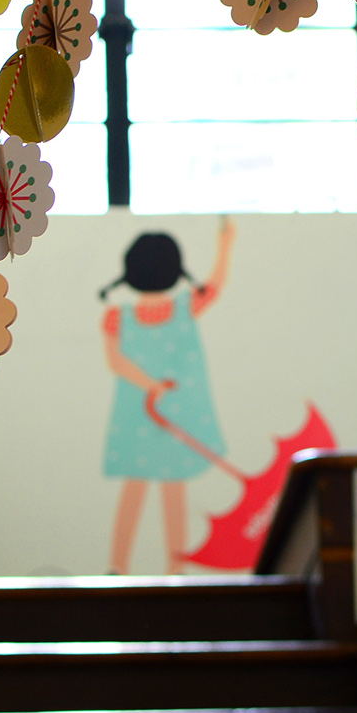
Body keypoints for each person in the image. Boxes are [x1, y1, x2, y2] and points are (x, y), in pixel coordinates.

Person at [99, 219, 235, 574]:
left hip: (172, 416)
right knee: (142, 487)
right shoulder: (121, 316)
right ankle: (119, 568)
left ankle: (173, 570)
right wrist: (151, 384)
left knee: (164, 488)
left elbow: (116, 361)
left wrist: (226, 244)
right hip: (142, 414)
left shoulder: (172, 310)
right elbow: (116, 363)